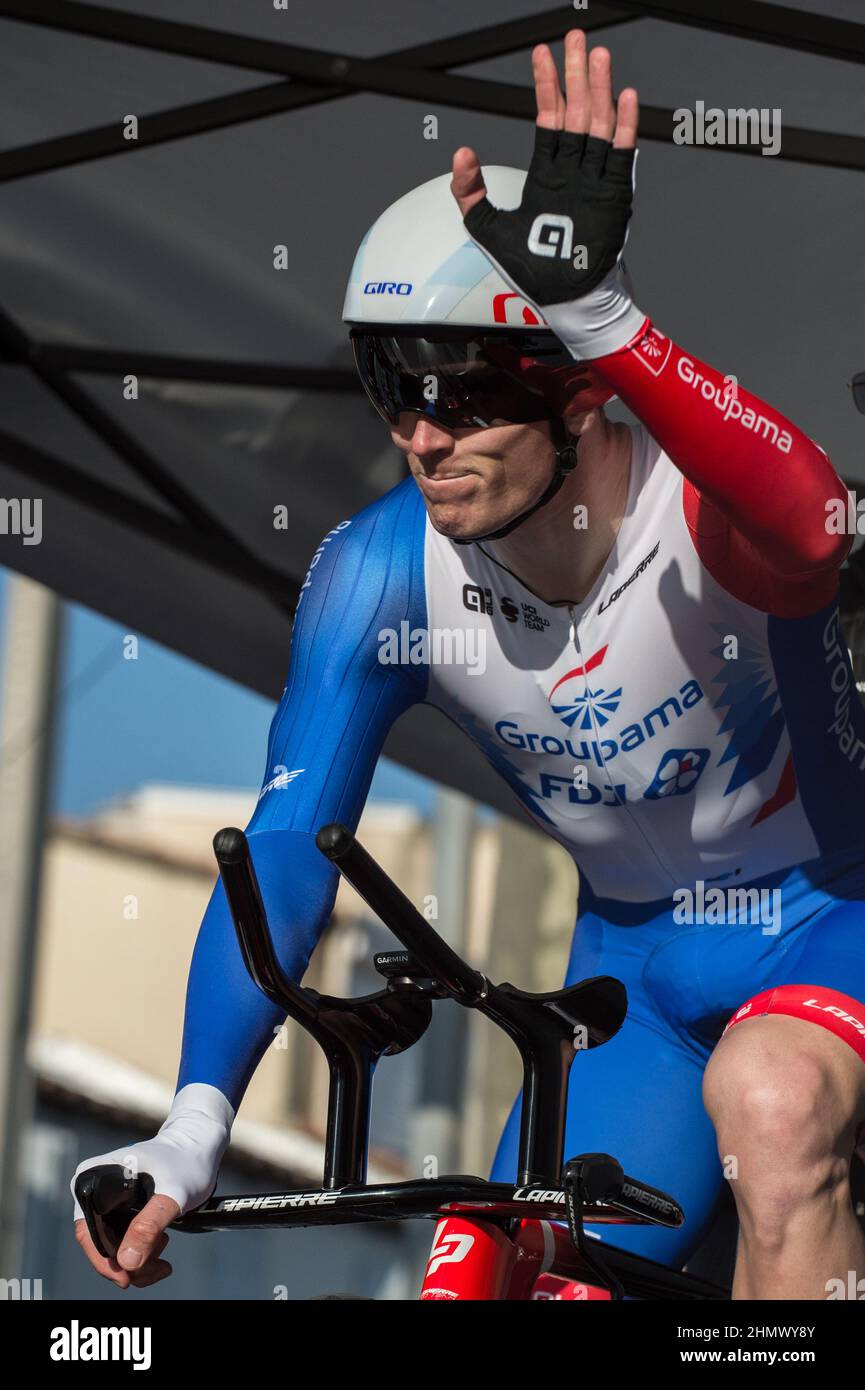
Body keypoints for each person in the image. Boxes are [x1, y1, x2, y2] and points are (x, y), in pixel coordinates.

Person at [73, 30, 865, 1300]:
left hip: (837, 922)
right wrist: (194, 1124)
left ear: (578, 393)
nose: (417, 431)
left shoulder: (702, 514)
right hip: (634, 989)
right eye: (389, 381)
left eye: (457, 386)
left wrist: (605, 316)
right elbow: (283, 854)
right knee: (472, 1287)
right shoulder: (380, 574)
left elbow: (816, 518)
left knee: (769, 1104)